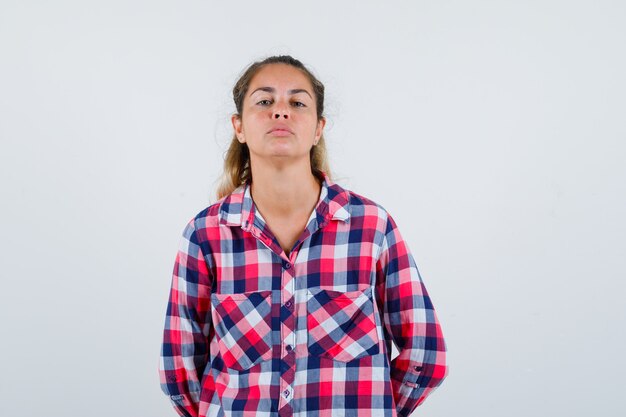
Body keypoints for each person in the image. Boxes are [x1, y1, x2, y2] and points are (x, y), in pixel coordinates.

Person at [158, 55, 448, 417]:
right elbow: (179, 370)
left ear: (317, 128)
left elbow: (425, 353)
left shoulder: (371, 227)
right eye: (264, 101)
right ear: (239, 127)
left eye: (297, 103)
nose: (281, 112)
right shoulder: (205, 235)